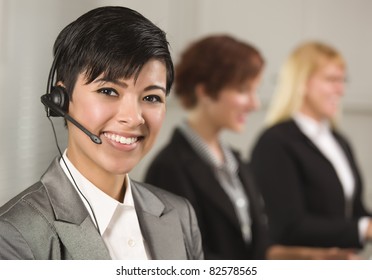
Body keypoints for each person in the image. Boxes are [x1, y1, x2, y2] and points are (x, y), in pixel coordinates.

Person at [0, 6, 203, 260]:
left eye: (151, 97)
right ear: (61, 100)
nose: (133, 117)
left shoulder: (180, 215)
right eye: (108, 91)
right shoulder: (13, 235)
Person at [144, 35, 357, 259]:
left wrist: (317, 257)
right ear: (205, 91)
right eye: (244, 90)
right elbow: (185, 261)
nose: (255, 103)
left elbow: (258, 251)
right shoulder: (169, 168)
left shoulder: (236, 163)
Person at [250, 41, 372, 251]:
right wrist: (364, 229)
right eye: (331, 79)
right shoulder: (275, 141)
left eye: (343, 80)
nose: (341, 90)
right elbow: (288, 226)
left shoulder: (338, 140)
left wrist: (365, 225)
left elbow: (356, 210)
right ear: (302, 82)